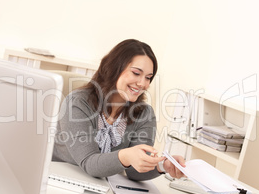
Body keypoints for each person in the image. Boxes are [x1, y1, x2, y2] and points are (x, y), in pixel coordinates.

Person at [52, 39, 185, 181]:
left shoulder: (145, 114)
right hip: (61, 179)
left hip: (102, 188)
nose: (142, 84)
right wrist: (126, 155)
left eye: (148, 78)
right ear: (114, 68)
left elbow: (135, 171)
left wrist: (162, 165)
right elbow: (89, 163)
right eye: (136, 73)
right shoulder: (78, 103)